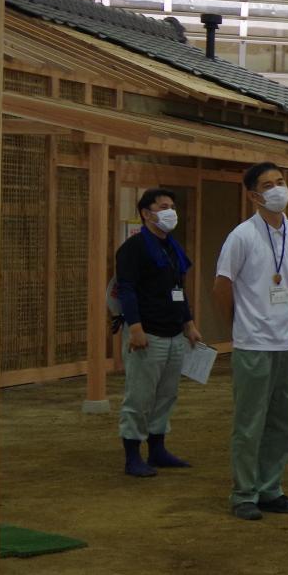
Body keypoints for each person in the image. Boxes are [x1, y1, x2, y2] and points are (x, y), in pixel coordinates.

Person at [212, 162, 288, 522]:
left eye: (281, 182)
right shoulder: (242, 236)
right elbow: (221, 287)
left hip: (287, 343)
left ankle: (271, 488)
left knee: (284, 422)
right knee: (250, 422)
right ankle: (243, 493)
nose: (277, 189)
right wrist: (238, 326)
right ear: (254, 196)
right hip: (253, 343)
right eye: (268, 185)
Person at [114, 187, 204, 478]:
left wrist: (188, 323)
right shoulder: (133, 248)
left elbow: (178, 289)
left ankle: (157, 448)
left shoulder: (172, 249)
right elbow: (125, 289)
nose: (170, 211)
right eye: (163, 206)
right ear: (146, 213)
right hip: (147, 334)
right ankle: (132, 456)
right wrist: (135, 326)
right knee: (139, 397)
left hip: (173, 334)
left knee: (166, 394)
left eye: (172, 206)